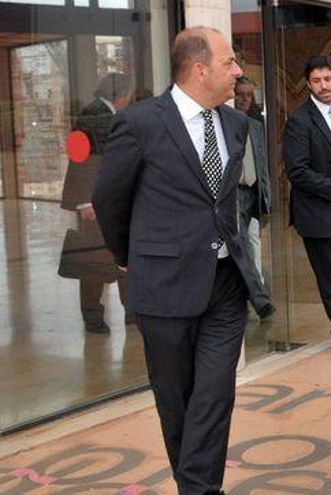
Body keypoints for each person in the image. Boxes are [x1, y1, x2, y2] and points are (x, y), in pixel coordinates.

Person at [92, 27, 274, 495]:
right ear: (199, 70)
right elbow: (109, 200)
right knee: (177, 406)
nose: (238, 72)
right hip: (164, 286)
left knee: (214, 398)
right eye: (229, 62)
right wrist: (129, 257)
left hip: (225, 284)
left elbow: (227, 202)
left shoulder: (235, 124)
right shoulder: (140, 124)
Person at [284, 55, 331, 353]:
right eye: (316, 81)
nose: (323, 86)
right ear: (308, 84)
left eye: (327, 79)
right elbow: (297, 171)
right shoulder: (299, 122)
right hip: (318, 216)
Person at [59, 73, 133, 333]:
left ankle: (126, 312)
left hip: (104, 201)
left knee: (113, 256)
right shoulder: (97, 115)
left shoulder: (99, 112)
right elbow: (82, 158)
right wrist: (84, 202)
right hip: (96, 203)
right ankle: (95, 316)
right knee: (93, 260)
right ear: (121, 94)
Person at [234, 77, 270, 285]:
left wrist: (266, 193)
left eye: (248, 95)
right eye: (240, 94)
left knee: (254, 237)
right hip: (236, 191)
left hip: (253, 190)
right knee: (240, 240)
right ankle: (248, 285)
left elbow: (262, 161)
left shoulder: (255, 126)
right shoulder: (227, 124)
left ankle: (258, 286)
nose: (244, 99)